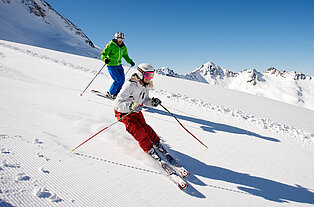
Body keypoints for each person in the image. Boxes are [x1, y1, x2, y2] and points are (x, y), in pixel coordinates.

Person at [113, 63, 163, 156]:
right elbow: (117, 103)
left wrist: (152, 102)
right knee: (138, 129)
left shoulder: (144, 86)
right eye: (148, 75)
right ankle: (148, 148)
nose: (150, 78)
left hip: (135, 110)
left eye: (152, 75)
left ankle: (156, 141)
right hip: (123, 112)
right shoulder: (130, 85)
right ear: (141, 74)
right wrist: (131, 106)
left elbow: (145, 100)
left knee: (144, 126)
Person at [101, 32, 135, 99]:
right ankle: (111, 93)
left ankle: (117, 93)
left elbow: (125, 56)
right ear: (116, 39)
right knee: (118, 80)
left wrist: (130, 61)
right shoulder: (111, 45)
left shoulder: (123, 47)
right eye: (119, 39)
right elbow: (103, 54)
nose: (120, 41)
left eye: (122, 39)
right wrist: (105, 59)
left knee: (122, 80)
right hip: (111, 65)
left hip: (119, 65)